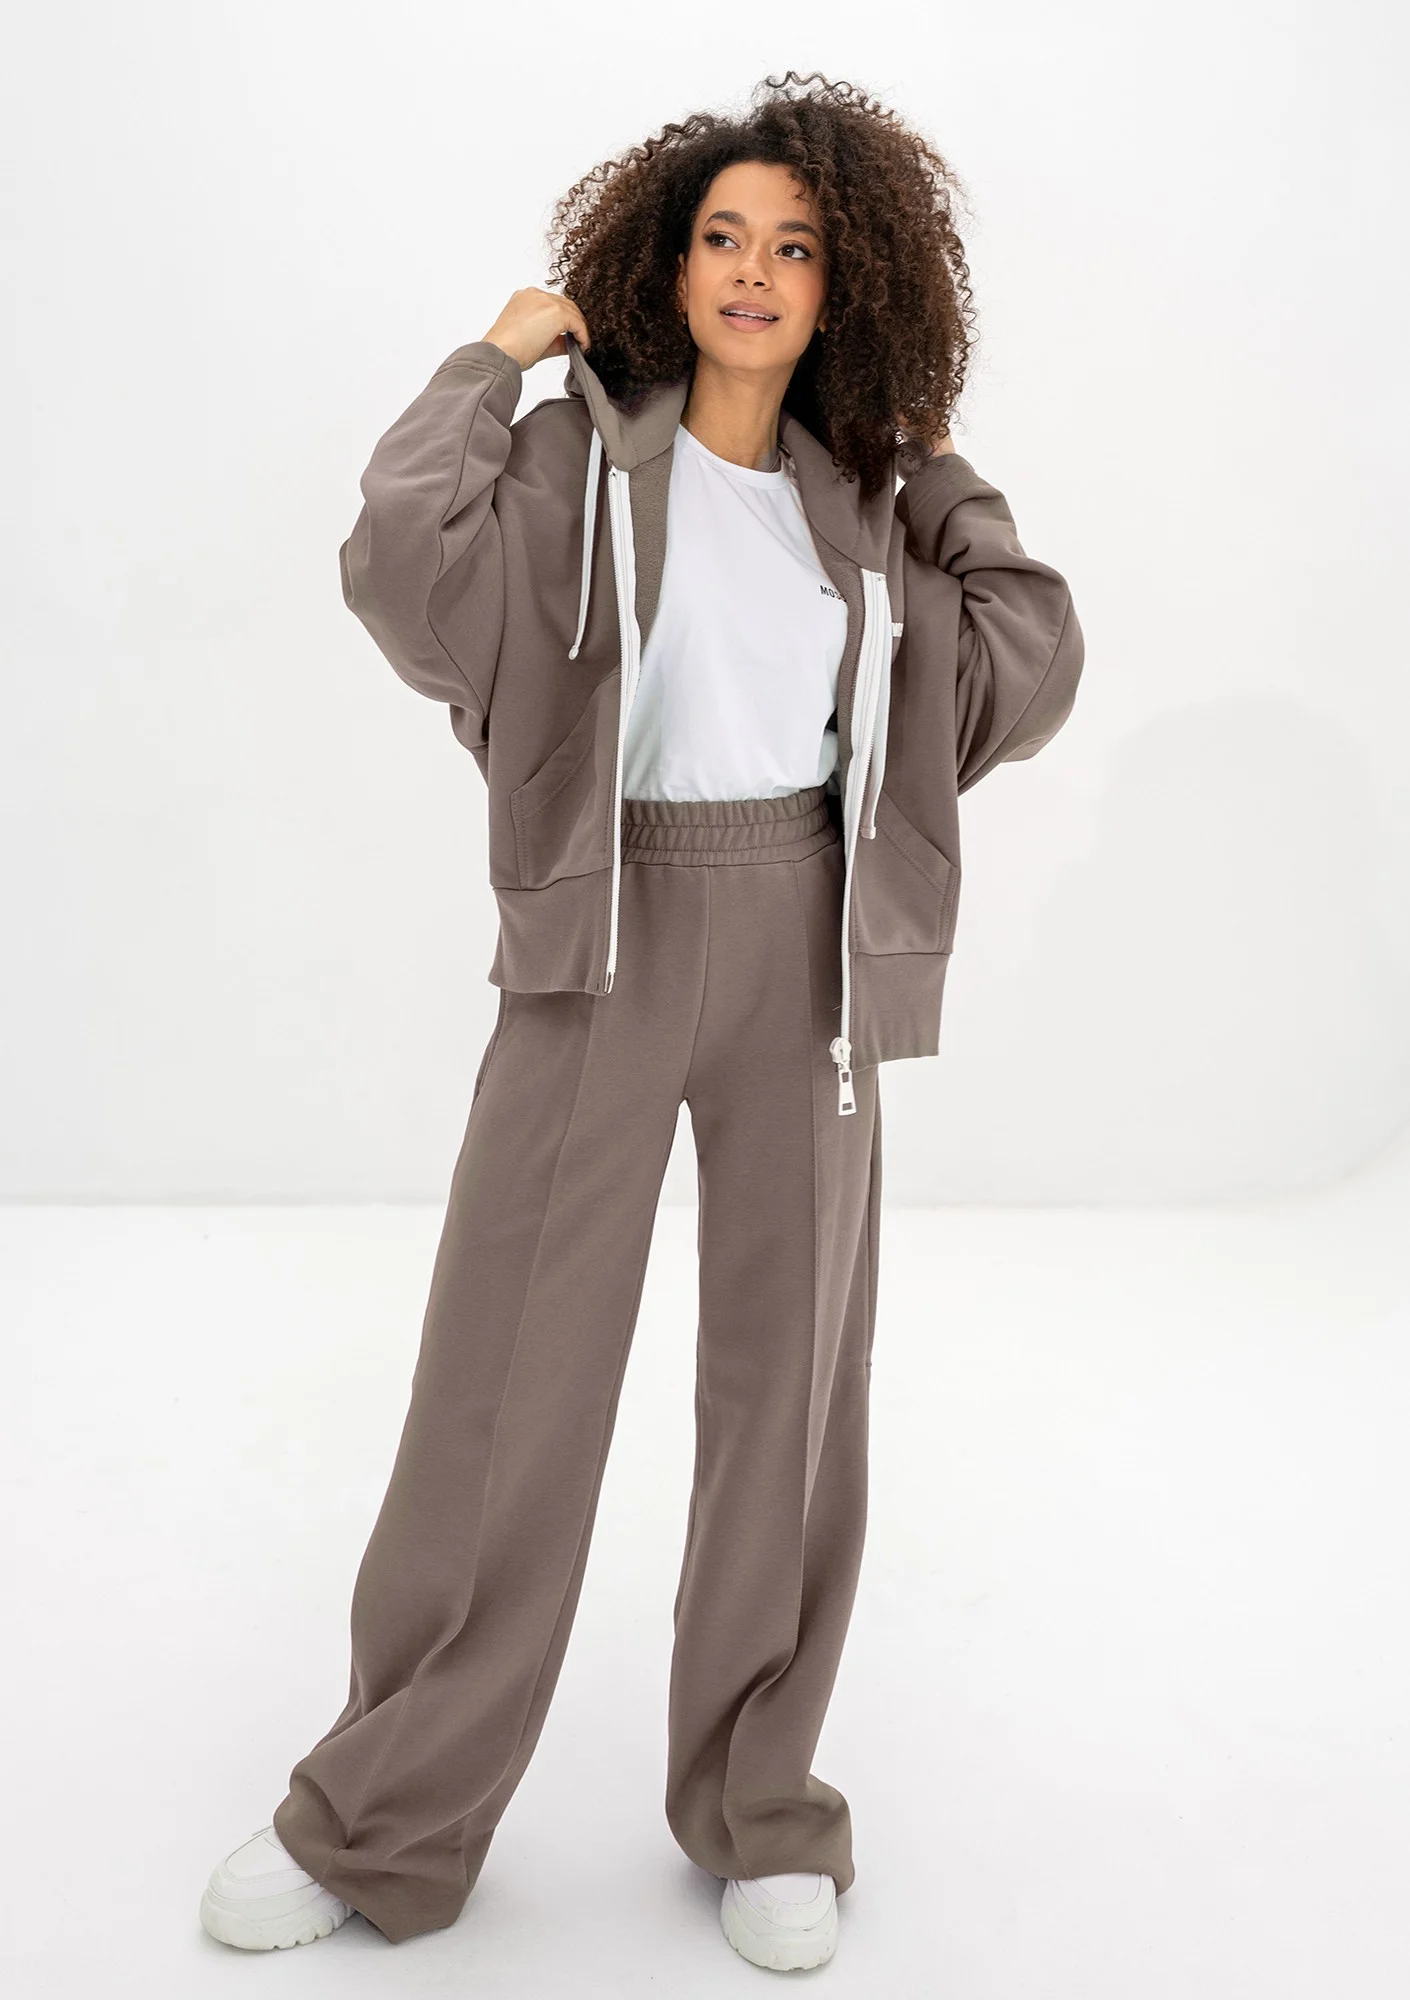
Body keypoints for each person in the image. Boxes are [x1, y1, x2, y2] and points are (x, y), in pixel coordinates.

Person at [198, 71, 1084, 1974]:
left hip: (807, 951)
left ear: (847, 284)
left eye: (795, 246)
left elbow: (1028, 657)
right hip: (605, 938)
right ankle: (383, 1812)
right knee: (503, 1378)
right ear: (663, 268)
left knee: (789, 1388)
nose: (753, 272)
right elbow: (394, 559)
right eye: (720, 238)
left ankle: (761, 1803)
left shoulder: (866, 508)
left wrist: (942, 473)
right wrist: (488, 365)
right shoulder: (573, 464)